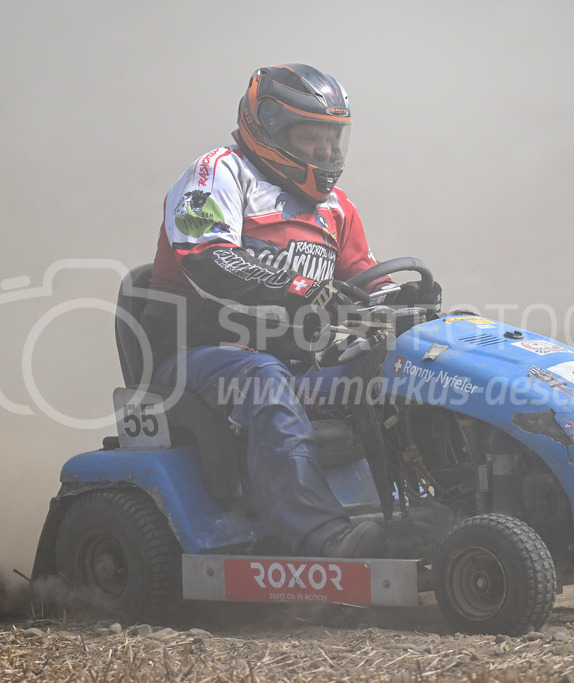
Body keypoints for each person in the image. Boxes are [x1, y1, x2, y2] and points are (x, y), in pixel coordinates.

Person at [140, 64, 440, 558]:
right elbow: (209, 260)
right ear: (270, 129)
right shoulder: (217, 173)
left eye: (331, 138)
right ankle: (324, 538)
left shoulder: (336, 207)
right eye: (311, 136)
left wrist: (411, 310)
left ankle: (430, 508)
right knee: (263, 375)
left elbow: (368, 285)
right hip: (198, 356)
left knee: (405, 362)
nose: (325, 151)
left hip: (300, 360)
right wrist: (300, 289)